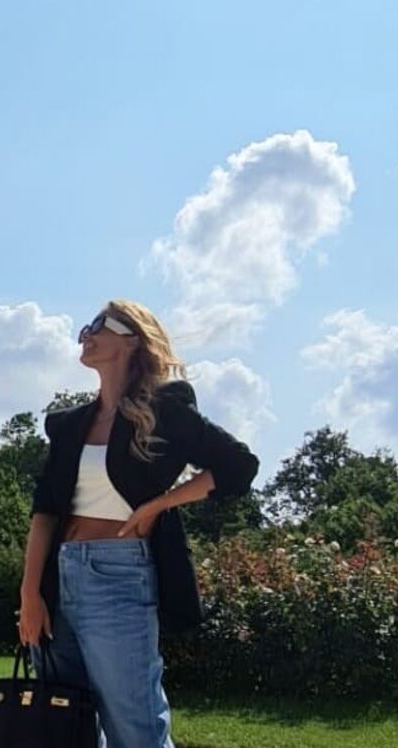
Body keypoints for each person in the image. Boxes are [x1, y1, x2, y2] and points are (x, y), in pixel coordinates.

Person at [18, 300, 259, 748]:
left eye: (97, 325)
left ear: (131, 340)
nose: (84, 334)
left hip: (119, 575)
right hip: (58, 576)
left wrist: (158, 506)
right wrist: (29, 593)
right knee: (64, 728)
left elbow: (238, 466)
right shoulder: (71, 425)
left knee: (136, 729)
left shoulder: (165, 412)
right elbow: (45, 512)